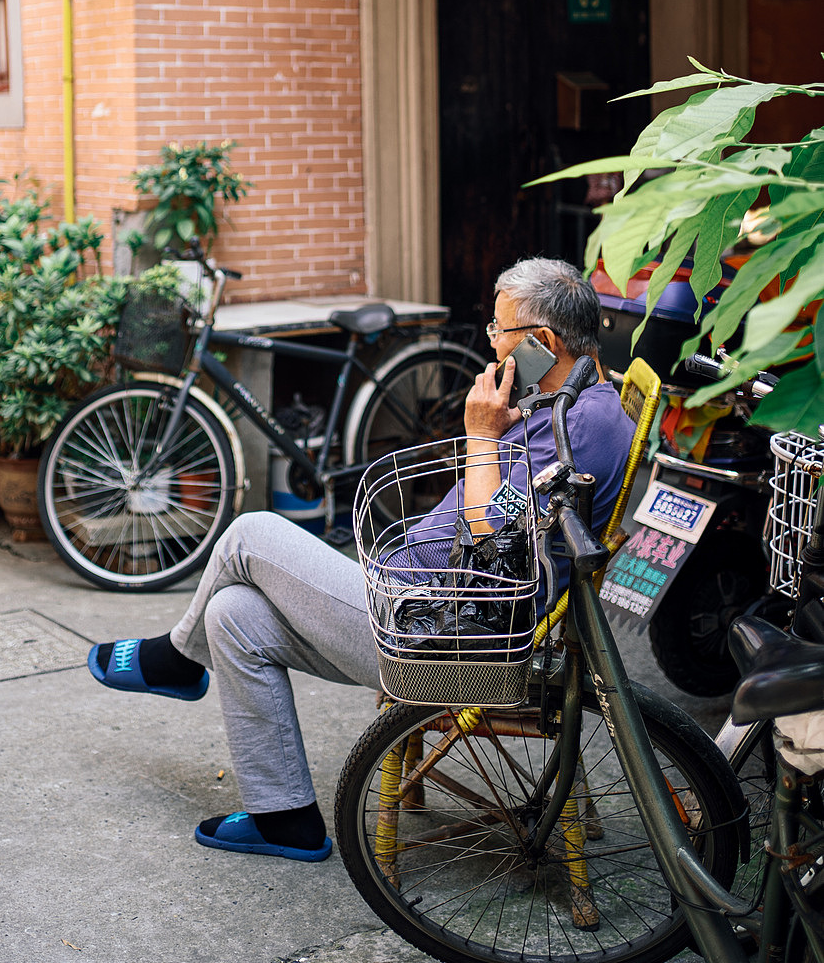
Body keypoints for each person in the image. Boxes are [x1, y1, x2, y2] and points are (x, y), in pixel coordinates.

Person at [87, 257, 635, 863]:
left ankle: (172, 658)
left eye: (499, 332)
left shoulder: (572, 426)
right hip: (428, 602)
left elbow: (488, 541)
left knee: (249, 533)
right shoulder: (573, 400)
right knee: (232, 614)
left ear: (543, 342)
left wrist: (481, 434)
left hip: (447, 634)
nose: (493, 346)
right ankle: (284, 818)